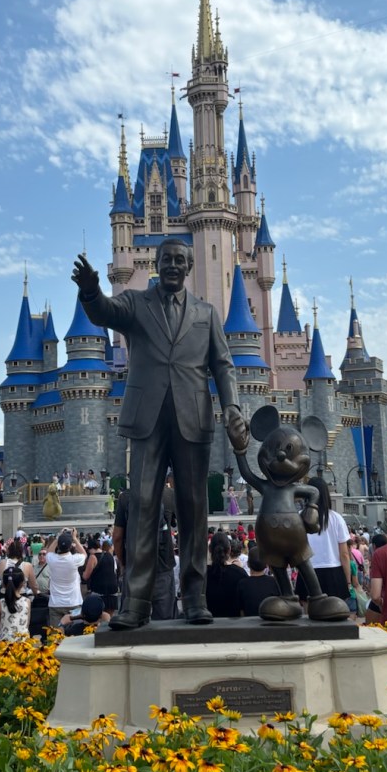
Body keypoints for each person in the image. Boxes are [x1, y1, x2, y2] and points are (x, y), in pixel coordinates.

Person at [72, 241, 248, 629]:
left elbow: (224, 364)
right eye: (166, 259)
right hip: (147, 420)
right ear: (156, 263)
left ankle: (196, 598)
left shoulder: (207, 313)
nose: (173, 266)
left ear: (189, 267)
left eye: (180, 261)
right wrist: (89, 290)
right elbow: (103, 310)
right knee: (142, 510)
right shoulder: (136, 303)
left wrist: (232, 406)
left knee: (194, 511)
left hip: (192, 418)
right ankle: (135, 603)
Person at [304, 476, 352, 601]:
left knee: (308, 615)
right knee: (336, 613)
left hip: (307, 570)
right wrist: (348, 580)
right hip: (333, 572)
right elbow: (344, 554)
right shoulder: (336, 518)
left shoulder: (300, 517)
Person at [45, 529, 86, 627]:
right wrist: (75, 538)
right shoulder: (74, 559)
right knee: (75, 635)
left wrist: (58, 536)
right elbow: (84, 553)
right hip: (74, 601)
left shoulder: (52, 559)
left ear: (58, 546)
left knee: (55, 635)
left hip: (56, 603)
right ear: (71, 546)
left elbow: (48, 552)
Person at [205, 532, 249, 618]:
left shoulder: (201, 575)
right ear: (229, 550)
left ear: (210, 550)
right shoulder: (240, 573)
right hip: (234, 625)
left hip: (207, 625)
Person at [237, 547, 282, 616]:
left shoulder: (242, 584)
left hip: (249, 623)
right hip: (270, 623)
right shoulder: (274, 582)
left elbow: (241, 610)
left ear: (248, 564)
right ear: (266, 564)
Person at [0, 566, 32, 642]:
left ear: (3, 584)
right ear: (22, 583)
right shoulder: (27, 602)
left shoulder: (0, 603)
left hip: (4, 645)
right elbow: (26, 624)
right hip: (23, 645)